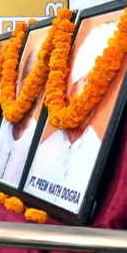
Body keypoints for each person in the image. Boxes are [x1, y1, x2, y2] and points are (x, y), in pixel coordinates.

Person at [25, 20, 117, 212]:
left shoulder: (101, 152)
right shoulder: (43, 149)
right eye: (88, 82)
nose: (95, 94)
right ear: (73, 87)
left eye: (101, 86)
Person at [0, 33, 45, 186]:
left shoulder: (43, 147)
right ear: (18, 84)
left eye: (38, 84)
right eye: (28, 82)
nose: (32, 91)